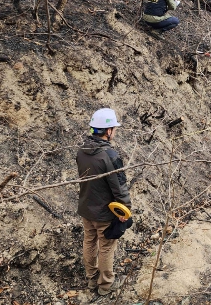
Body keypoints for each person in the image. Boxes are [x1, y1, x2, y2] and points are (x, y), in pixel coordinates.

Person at [76, 108, 131, 296]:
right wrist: (125, 210)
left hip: (86, 208)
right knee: (106, 247)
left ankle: (92, 279)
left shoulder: (81, 151)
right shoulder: (110, 156)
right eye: (114, 128)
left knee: (89, 242)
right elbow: (120, 188)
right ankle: (106, 285)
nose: (114, 132)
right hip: (105, 213)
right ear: (108, 131)